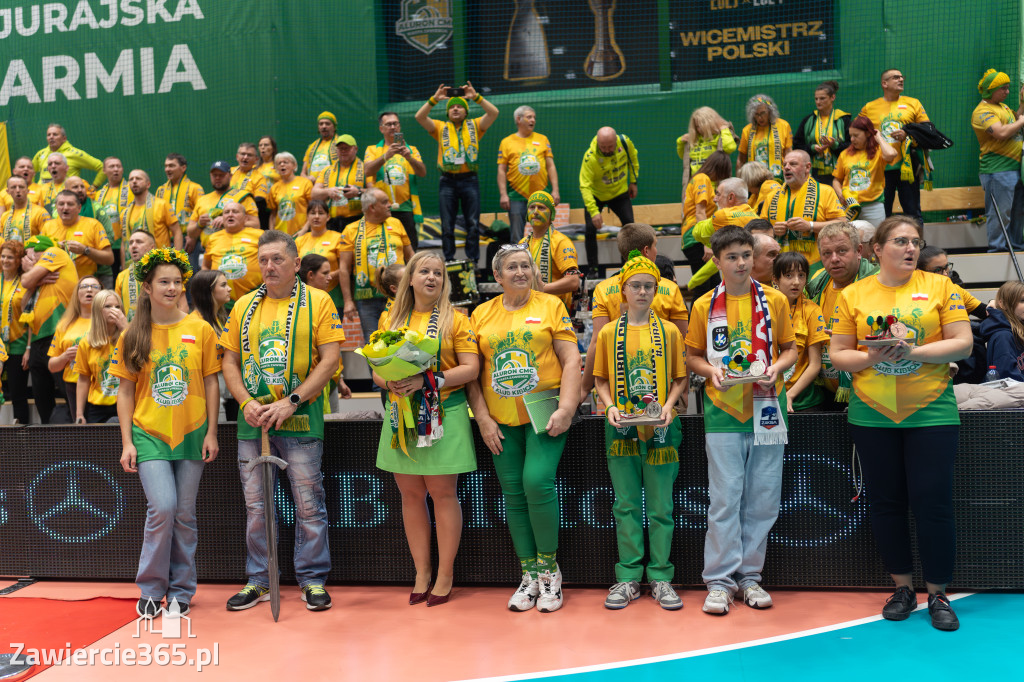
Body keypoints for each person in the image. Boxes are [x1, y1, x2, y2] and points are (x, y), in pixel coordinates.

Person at [829, 215, 973, 631]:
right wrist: (873, 357)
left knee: (933, 502)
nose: (911, 248)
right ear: (877, 249)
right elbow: (839, 353)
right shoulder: (853, 294)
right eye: (900, 241)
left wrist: (914, 351)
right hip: (872, 412)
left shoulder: (941, 287)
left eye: (915, 241)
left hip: (931, 410)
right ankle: (902, 588)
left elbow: (962, 343)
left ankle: (939, 593)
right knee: (886, 503)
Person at [221, 230, 343, 613]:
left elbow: (330, 360)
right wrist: (245, 402)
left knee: (309, 504)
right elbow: (228, 362)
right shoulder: (243, 305)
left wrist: (292, 401)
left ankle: (312, 580)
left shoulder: (319, 301)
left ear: (295, 262)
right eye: (263, 260)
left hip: (301, 421)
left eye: (276, 259)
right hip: (253, 424)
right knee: (257, 507)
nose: (268, 267)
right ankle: (259, 579)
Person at [684, 225, 796, 616]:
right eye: (732, 257)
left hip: (767, 409)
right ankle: (718, 581)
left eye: (746, 255)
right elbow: (694, 355)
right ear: (716, 261)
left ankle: (750, 577)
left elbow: (790, 349)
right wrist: (710, 372)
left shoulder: (775, 300)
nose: (741, 263)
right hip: (722, 413)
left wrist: (776, 369)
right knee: (725, 500)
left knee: (763, 500)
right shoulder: (702, 306)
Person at [467, 246, 580, 613]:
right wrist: (481, 418)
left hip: (544, 413)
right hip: (499, 419)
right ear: (497, 276)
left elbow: (571, 358)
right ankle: (529, 574)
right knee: (513, 493)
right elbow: (473, 372)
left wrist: (566, 407)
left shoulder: (551, 305)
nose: (520, 271)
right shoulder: (480, 314)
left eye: (525, 265)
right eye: (511, 267)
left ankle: (550, 572)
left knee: (536, 482)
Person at [112, 248, 220, 618]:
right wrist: (127, 441)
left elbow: (210, 382)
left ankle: (181, 591)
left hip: (193, 432)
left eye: (177, 281)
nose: (172, 287)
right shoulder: (131, 334)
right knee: (163, 507)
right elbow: (125, 391)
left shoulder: (200, 328)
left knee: (185, 514)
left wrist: (212, 432)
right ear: (147, 287)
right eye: (164, 282)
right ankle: (150, 587)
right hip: (148, 433)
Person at [373, 251, 480, 606]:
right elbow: (376, 367)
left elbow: (471, 368)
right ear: (411, 279)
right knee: (410, 496)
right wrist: (389, 384)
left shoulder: (457, 319)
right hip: (400, 414)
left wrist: (427, 380)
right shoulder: (392, 318)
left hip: (443, 415)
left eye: (438, 273)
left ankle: (445, 574)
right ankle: (421, 571)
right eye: (425, 271)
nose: (432, 277)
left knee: (442, 494)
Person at [593, 251, 687, 611]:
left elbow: (680, 379)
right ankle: (629, 576)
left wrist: (668, 405)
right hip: (621, 432)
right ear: (623, 289)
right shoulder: (606, 333)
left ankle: (661, 576)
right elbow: (600, 380)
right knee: (626, 504)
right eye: (637, 286)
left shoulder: (669, 332)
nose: (644, 292)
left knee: (662, 506)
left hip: (662, 430)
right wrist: (611, 406)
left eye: (650, 286)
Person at [582, 223, 688, 401]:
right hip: (665, 391)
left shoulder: (602, 289)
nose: (642, 292)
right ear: (646, 250)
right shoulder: (670, 289)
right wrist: (684, 391)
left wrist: (584, 387)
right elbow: (684, 344)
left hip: (620, 389)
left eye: (648, 287)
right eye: (655, 245)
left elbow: (596, 343)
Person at [416, 82, 499, 264]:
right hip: (448, 182)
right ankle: (449, 261)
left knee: (473, 224)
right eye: (452, 106)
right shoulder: (440, 127)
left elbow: (494, 113)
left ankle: (473, 263)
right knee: (447, 225)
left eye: (459, 106)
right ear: (447, 112)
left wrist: (476, 97)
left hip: (470, 180)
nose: (455, 109)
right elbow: (419, 117)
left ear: (466, 111)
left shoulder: (476, 126)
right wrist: (434, 100)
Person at [338, 188, 415, 345]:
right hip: (367, 298)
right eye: (385, 202)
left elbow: (411, 257)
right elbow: (344, 268)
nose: (390, 205)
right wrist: (348, 301)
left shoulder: (397, 223)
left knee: (403, 341)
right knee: (373, 343)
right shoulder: (351, 230)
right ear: (372, 207)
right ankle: (375, 371)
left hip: (398, 295)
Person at [18, 235, 79, 423]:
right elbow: (23, 306)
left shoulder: (55, 252)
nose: (25, 260)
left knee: (68, 392)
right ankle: (49, 442)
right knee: (41, 397)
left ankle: (80, 436)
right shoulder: (41, 278)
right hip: (37, 340)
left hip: (58, 335)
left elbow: (26, 280)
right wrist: (37, 280)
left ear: (37, 252)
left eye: (28, 255)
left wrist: (31, 273)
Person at [860, 69, 930, 222]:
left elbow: (927, 129)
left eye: (901, 77)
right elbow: (858, 132)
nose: (901, 79)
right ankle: (884, 246)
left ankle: (917, 245)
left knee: (913, 213)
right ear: (884, 83)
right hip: (880, 169)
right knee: (882, 214)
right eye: (895, 77)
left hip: (907, 167)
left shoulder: (913, 103)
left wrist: (907, 134)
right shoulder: (869, 107)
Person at [762, 150, 845, 273]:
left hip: (814, 265)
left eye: (793, 164)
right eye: (784, 165)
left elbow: (842, 224)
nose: (786, 168)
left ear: (808, 167)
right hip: (779, 264)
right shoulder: (772, 196)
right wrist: (772, 230)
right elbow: (759, 230)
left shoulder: (825, 191)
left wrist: (810, 226)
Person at [971, 70, 1024, 251]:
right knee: (1001, 214)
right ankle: (997, 251)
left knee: (1018, 213)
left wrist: (1023, 103)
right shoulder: (982, 111)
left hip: (1016, 169)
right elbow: (1001, 133)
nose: (1007, 92)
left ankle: (1017, 248)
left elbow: (1015, 120)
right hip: (997, 171)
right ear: (989, 90)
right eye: (1003, 88)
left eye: (1008, 88)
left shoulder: (1003, 107)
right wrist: (1022, 120)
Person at [772, 252, 829, 411]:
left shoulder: (812, 310)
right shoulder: (762, 308)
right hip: (767, 397)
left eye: (801, 275)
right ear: (775, 279)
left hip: (804, 401)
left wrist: (789, 395)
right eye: (789, 275)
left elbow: (815, 364)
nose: (796, 282)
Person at [579, 127, 639, 275]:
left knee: (629, 226)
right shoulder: (590, 157)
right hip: (596, 195)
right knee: (590, 229)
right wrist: (594, 213)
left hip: (619, 192)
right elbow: (585, 186)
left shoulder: (625, 143)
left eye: (610, 146)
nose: (606, 150)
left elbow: (633, 159)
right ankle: (593, 269)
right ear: (598, 142)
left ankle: (627, 266)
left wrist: (633, 181)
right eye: (603, 147)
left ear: (616, 141)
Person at [364, 112, 427, 250]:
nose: (393, 127)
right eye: (388, 124)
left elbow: (422, 172)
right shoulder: (373, 150)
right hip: (381, 209)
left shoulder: (411, 150)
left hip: (406, 208)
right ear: (381, 128)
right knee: (385, 247)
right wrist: (385, 156)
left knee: (409, 248)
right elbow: (367, 171)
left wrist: (409, 158)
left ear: (399, 126)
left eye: (395, 123)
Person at [688, 178, 761, 296]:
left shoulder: (723, 216)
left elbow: (697, 232)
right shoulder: (756, 217)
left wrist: (709, 244)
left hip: (735, 289)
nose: (715, 199)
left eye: (718, 194)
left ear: (731, 197)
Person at [298, 254, 352, 413]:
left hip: (331, 382)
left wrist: (339, 380)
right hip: (311, 386)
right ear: (310, 275)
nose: (330, 277)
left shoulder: (325, 299)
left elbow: (332, 347)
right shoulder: (299, 304)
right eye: (325, 273)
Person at [498, 106, 559, 243]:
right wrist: (503, 194)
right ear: (518, 119)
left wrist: (555, 190)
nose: (533, 120)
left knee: (545, 232)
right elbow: (501, 170)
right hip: (516, 195)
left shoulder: (543, 139)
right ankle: (518, 261)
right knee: (516, 235)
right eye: (529, 117)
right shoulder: (506, 142)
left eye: (534, 118)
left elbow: (550, 166)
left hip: (541, 194)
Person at [186, 161, 259, 266]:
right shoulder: (202, 200)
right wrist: (199, 224)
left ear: (230, 176)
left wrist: (229, 221)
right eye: (214, 175)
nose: (217, 178)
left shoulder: (242, 196)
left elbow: (256, 225)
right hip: (207, 252)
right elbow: (191, 233)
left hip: (234, 251)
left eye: (221, 175)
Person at [47, 275, 99, 419]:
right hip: (73, 384)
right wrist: (65, 356)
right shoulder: (64, 325)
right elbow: (52, 366)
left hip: (103, 385)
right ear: (77, 294)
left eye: (94, 287)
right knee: (82, 432)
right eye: (84, 286)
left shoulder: (108, 322)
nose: (89, 290)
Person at [519, 190, 579, 313]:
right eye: (531, 207)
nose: (535, 212)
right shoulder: (522, 244)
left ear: (551, 214)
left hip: (555, 311)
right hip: (528, 309)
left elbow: (574, 281)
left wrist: (542, 288)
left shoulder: (561, 242)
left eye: (541, 207)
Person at [832, 117, 898, 228]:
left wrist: (879, 138)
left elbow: (891, 154)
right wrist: (840, 194)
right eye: (851, 136)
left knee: (875, 240)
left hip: (873, 206)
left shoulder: (878, 152)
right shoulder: (845, 154)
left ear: (868, 133)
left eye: (856, 136)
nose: (852, 139)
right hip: (849, 206)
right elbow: (836, 180)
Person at [189, 269, 237, 421]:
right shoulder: (194, 323)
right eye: (223, 285)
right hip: (208, 394)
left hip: (227, 391)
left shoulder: (221, 318)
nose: (229, 289)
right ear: (208, 291)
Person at [75, 289, 127, 423]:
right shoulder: (86, 343)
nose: (114, 310)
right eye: (108, 306)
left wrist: (125, 330)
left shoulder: (128, 336)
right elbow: (83, 379)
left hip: (125, 401)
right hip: (98, 406)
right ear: (98, 310)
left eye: (117, 307)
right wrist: (79, 414)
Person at [41, 190, 114, 282]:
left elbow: (109, 259)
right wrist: (54, 248)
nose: (65, 208)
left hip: (86, 284)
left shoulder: (93, 225)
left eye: (70, 204)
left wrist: (85, 250)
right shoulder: (48, 226)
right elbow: (38, 256)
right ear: (56, 207)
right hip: (57, 284)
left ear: (79, 208)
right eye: (61, 204)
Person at [681, 152, 731, 285]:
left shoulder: (700, 179)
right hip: (696, 239)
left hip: (694, 238)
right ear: (718, 168)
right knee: (703, 289)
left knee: (713, 287)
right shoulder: (702, 179)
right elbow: (700, 212)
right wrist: (707, 244)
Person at [203, 202, 264, 304]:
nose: (230, 214)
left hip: (254, 297)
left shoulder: (260, 235)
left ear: (245, 218)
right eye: (226, 212)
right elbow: (205, 266)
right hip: (221, 302)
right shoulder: (213, 238)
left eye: (235, 212)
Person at [793, 81, 851, 185]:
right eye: (816, 99)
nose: (818, 102)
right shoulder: (808, 120)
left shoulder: (843, 119)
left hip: (839, 173)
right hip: (814, 174)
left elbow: (852, 145)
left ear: (832, 97)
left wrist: (835, 145)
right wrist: (812, 148)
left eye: (822, 98)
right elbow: (797, 145)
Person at [296, 200, 345, 312]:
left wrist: (324, 276)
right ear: (307, 217)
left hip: (333, 294)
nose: (316, 217)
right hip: (306, 296)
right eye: (313, 213)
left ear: (328, 217)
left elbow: (344, 267)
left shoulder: (338, 238)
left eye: (321, 213)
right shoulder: (299, 241)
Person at [0, 240, 30, 423]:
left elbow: (30, 315)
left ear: (19, 260)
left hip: (18, 344)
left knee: (18, 395)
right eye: (3, 256)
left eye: (10, 257)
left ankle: (23, 439)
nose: (5, 260)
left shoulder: (26, 282)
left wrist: (28, 348)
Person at [311, 135, 366, 231]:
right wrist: (327, 191)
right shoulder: (327, 170)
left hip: (357, 220)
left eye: (347, 148)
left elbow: (376, 192)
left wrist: (358, 191)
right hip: (332, 222)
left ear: (355, 149)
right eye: (340, 149)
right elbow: (314, 194)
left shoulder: (365, 168)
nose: (343, 151)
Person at [917, 245, 987, 319]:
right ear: (920, 271)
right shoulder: (913, 293)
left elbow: (985, 311)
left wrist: (992, 304)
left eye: (946, 267)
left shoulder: (955, 289)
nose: (945, 273)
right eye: (938, 270)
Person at [677, 106, 737, 187]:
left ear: (710, 123)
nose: (699, 129)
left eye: (701, 125)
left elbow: (730, 148)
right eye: (697, 126)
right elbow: (683, 157)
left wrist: (725, 130)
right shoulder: (694, 140)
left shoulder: (719, 137)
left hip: (713, 186)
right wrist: (680, 142)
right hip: (694, 185)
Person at [737, 95, 792, 182]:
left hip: (779, 179)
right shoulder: (747, 130)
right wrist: (739, 181)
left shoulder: (783, 126)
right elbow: (741, 159)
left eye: (763, 113)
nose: (760, 118)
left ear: (770, 111)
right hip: (755, 180)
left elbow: (788, 153)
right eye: (757, 114)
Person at [123, 170, 182, 250]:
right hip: (136, 261)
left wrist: (177, 259)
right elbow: (124, 243)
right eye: (131, 179)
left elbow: (177, 232)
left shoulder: (162, 205)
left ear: (148, 184)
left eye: (138, 179)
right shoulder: (125, 213)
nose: (134, 181)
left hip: (161, 259)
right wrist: (123, 263)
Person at [156, 154, 204, 248]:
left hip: (187, 240)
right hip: (165, 242)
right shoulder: (160, 190)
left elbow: (201, 215)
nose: (167, 169)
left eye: (171, 165)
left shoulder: (195, 188)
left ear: (183, 168)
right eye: (166, 166)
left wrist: (193, 237)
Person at [32, 123, 105, 186]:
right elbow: (30, 171)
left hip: (66, 198)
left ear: (64, 138)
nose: (51, 137)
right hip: (43, 199)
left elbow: (102, 167)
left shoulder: (74, 153)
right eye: (48, 135)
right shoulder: (40, 154)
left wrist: (94, 186)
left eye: (55, 134)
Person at [982, 280, 1024, 380]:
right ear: (1003, 304)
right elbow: (1007, 379)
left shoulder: (1019, 330)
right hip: (1012, 393)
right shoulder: (1003, 336)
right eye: (1022, 301)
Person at [93, 158, 129, 271]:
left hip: (126, 245)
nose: (116, 169)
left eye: (118, 166)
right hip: (105, 246)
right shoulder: (98, 194)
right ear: (104, 170)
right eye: (112, 166)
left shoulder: (131, 189)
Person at [266, 153, 313, 237]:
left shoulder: (305, 183)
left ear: (294, 165)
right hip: (280, 235)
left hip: (301, 234)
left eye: (285, 162)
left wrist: (305, 229)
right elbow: (273, 214)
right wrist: (272, 233)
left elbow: (312, 209)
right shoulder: (274, 188)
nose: (282, 164)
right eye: (279, 163)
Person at [116, 229, 157, 322]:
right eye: (130, 243)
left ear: (152, 247)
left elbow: (182, 306)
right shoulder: (121, 276)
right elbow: (118, 310)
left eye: (139, 242)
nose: (133, 246)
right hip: (130, 331)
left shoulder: (165, 272)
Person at [1, 176, 48, 242]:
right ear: (8, 191)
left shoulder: (40, 213)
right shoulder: (4, 216)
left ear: (27, 191)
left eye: (21, 187)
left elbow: (47, 239)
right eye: (13, 187)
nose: (17, 190)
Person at [301, 112, 339, 178]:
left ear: (334, 127)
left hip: (332, 185)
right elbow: (303, 173)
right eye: (321, 124)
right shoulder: (312, 146)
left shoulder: (341, 144)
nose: (324, 126)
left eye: (327, 124)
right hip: (313, 186)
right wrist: (308, 178)